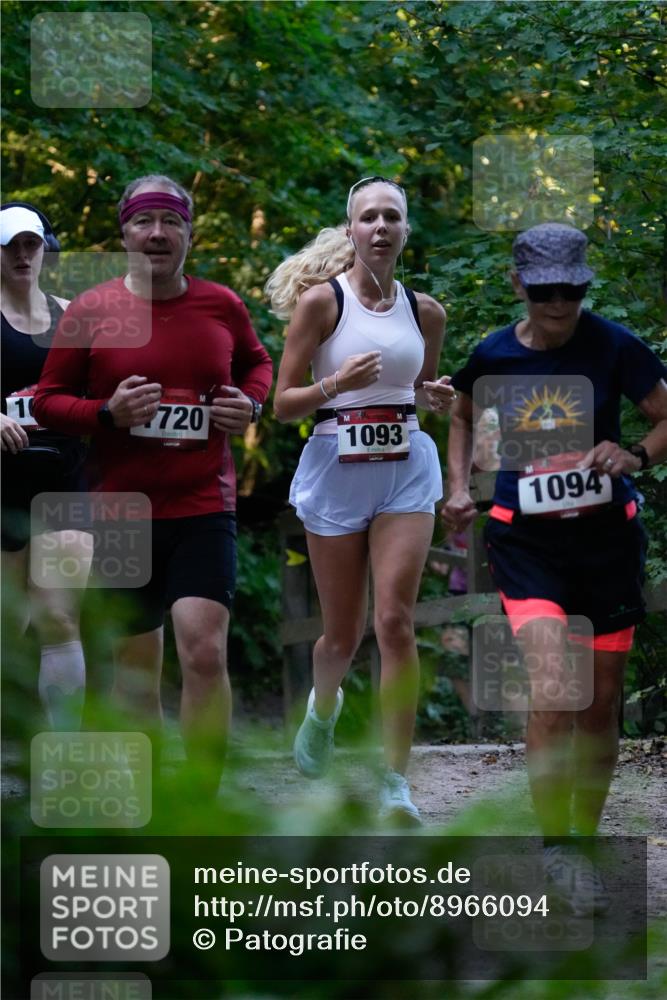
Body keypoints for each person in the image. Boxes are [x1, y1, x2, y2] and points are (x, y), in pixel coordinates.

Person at [443, 222, 667, 910]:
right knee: (552, 685)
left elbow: (663, 417)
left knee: (598, 703)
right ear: (518, 285)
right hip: (525, 543)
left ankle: (585, 838)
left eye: (570, 290)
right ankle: (556, 851)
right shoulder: (492, 356)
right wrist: (457, 486)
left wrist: (633, 455)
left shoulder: (613, 346)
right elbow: (457, 410)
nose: (559, 304)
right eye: (544, 291)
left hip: (603, 544)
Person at [34, 175, 273, 792]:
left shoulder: (221, 305)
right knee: (136, 671)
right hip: (122, 512)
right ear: (125, 232)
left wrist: (250, 404)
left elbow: (257, 363)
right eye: (145, 222)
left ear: (190, 233)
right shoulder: (92, 310)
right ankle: (153, 803)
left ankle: (201, 802)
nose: (159, 234)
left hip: (201, 504)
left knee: (203, 650)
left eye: (172, 222)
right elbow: (49, 401)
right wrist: (106, 415)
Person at [266, 175, 454, 824]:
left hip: (403, 467)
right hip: (334, 467)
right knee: (338, 638)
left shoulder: (426, 312)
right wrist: (333, 384)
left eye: (391, 217)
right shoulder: (323, 304)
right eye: (368, 217)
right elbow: (281, 402)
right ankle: (323, 710)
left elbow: (424, 386)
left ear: (405, 230)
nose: (379, 227)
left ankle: (394, 782)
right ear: (350, 229)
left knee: (395, 622)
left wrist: (436, 398)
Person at [1, 202, 91, 730]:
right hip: (4, 484)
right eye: (10, 245)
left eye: (30, 243)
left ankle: (64, 753)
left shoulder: (73, 313)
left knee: (59, 615)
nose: (21, 254)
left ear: (46, 248)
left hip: (63, 479)